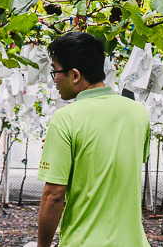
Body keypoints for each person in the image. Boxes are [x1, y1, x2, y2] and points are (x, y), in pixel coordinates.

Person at [36, 31, 151, 247]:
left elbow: (53, 196)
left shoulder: (65, 119)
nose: (55, 81)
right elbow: (115, 163)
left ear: (75, 75)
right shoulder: (139, 113)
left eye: (55, 71)